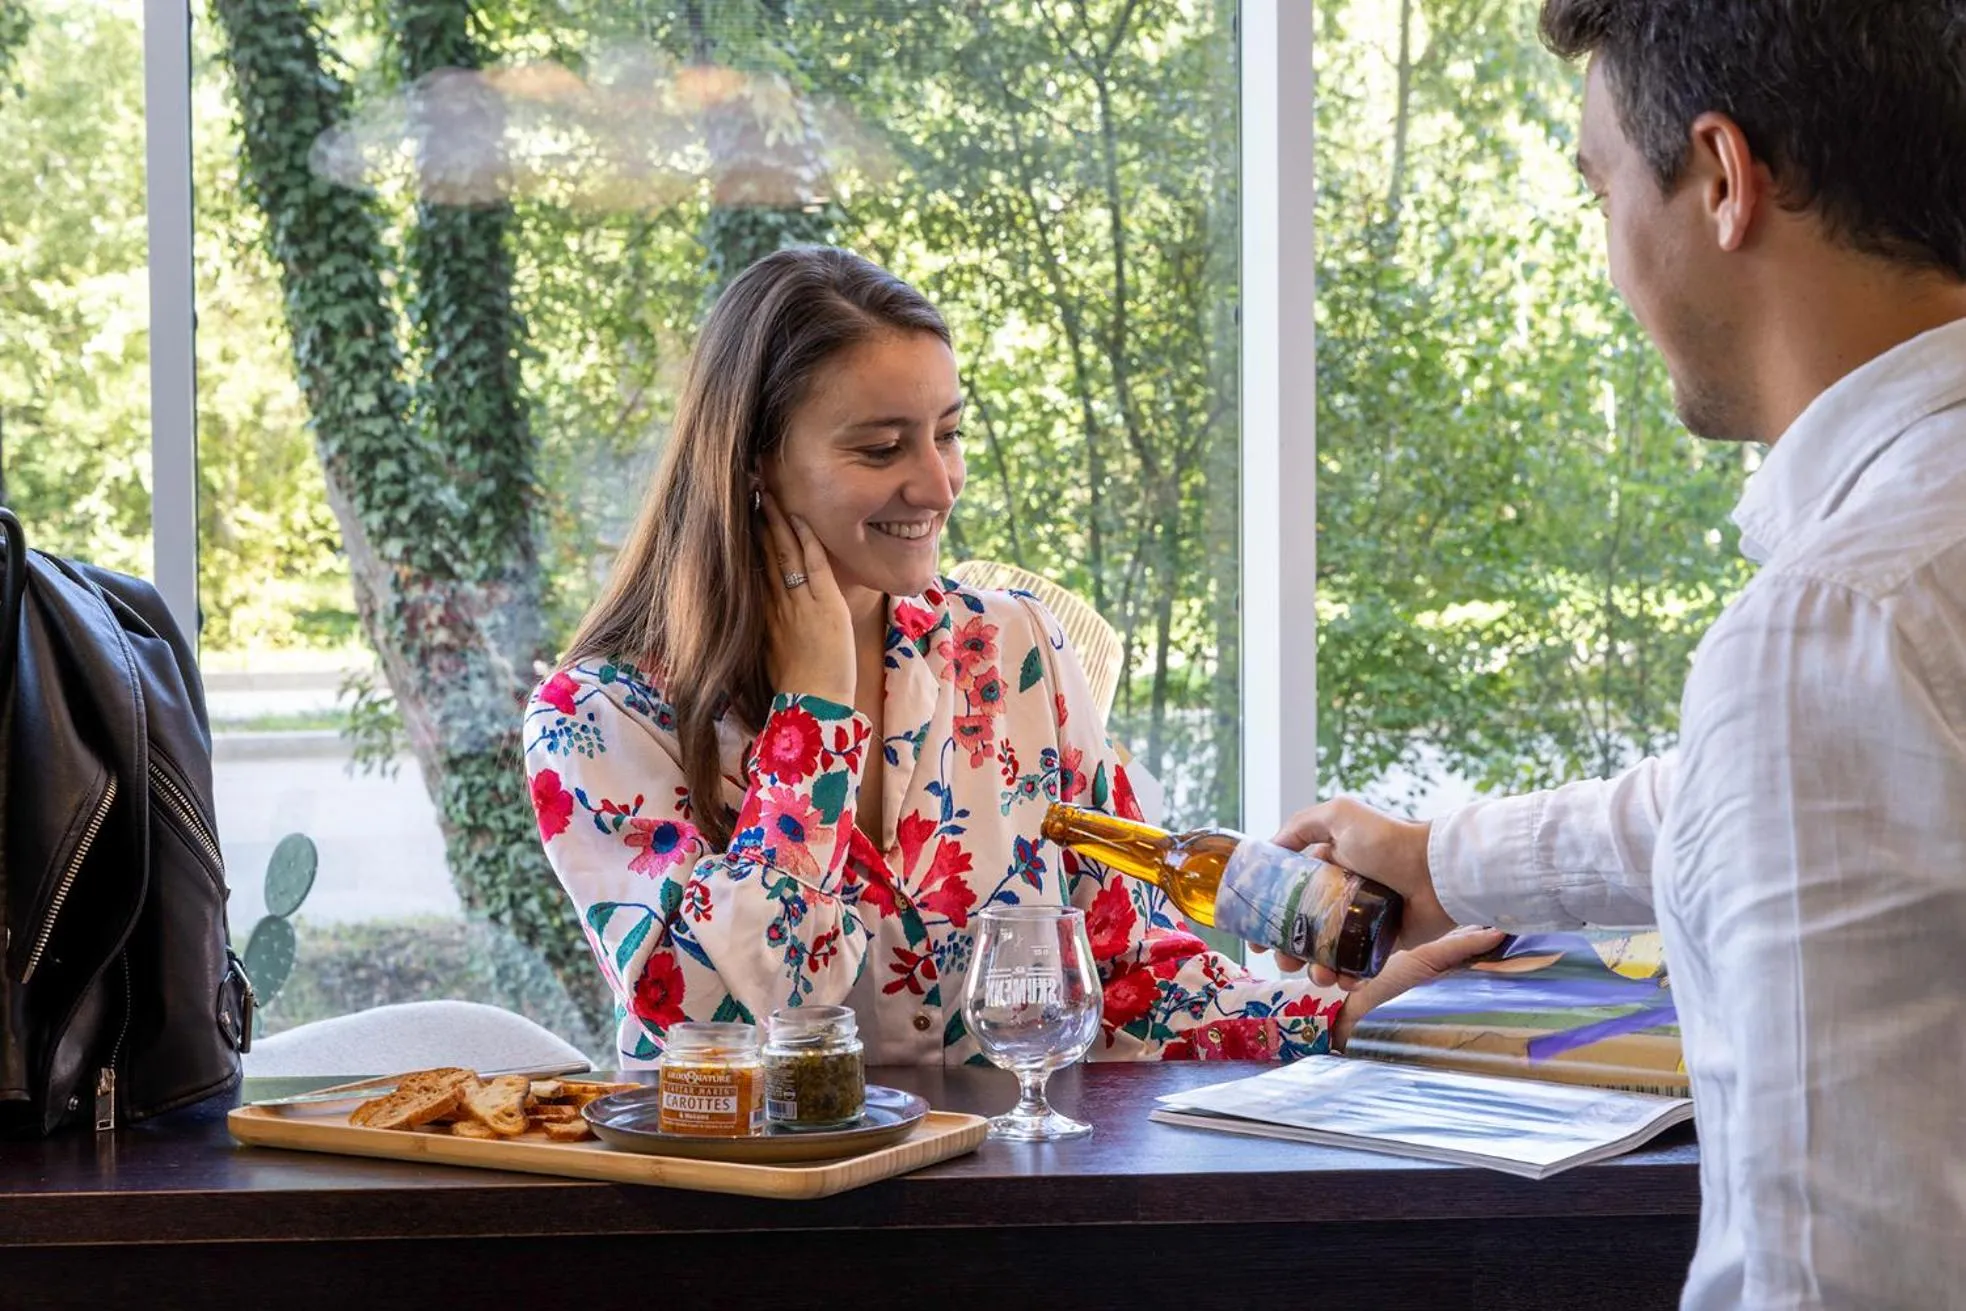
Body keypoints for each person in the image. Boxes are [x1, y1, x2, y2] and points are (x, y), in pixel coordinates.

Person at [1271, 3, 1966, 1307]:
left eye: (1599, 190)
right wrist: (1439, 863)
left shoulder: (1832, 622)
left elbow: (1836, 1274)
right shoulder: (1887, 608)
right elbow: (1765, 800)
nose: (1607, 258)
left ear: (1721, 178)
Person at [521, 246, 1499, 1068]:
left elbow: (1123, 968)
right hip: (753, 1220)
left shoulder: (1014, 649)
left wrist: (1342, 1013)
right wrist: (815, 719)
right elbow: (710, 1023)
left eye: (947, 434)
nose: (937, 484)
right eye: (881, 448)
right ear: (753, 466)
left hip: (1014, 1205)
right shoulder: (598, 717)